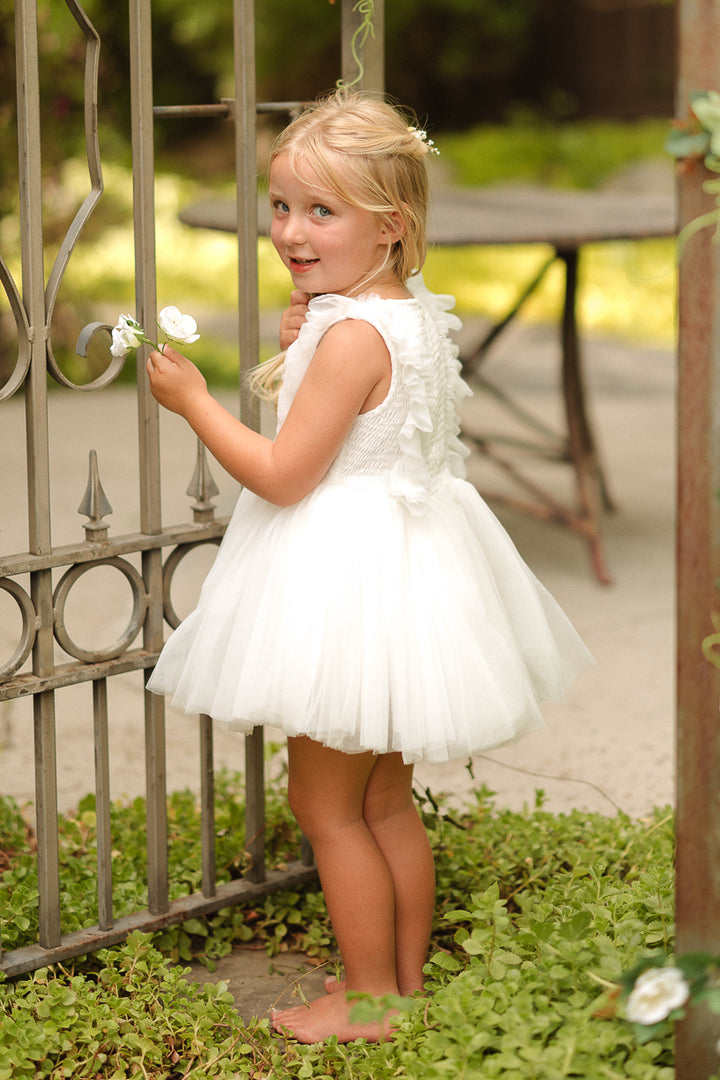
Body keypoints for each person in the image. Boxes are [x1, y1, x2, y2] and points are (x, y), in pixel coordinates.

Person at [145, 89, 593, 1044]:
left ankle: (366, 1001)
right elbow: (362, 428)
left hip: (341, 578)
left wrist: (191, 400)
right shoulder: (405, 314)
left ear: (391, 225)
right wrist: (298, 353)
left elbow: (283, 472)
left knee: (324, 803)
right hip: (404, 566)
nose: (292, 233)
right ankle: (401, 988)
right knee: (383, 797)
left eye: (322, 211)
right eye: (281, 207)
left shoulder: (350, 335)